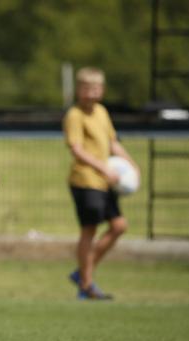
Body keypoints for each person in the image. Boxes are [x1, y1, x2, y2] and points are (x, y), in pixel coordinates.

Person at [62, 67, 138, 300]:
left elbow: (113, 143)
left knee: (119, 226)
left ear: (102, 90)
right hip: (85, 181)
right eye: (87, 88)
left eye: (96, 88)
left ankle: (82, 271)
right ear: (79, 90)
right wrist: (104, 167)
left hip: (105, 182)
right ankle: (86, 285)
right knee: (90, 229)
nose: (91, 93)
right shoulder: (74, 115)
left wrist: (132, 164)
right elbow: (76, 149)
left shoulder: (102, 112)